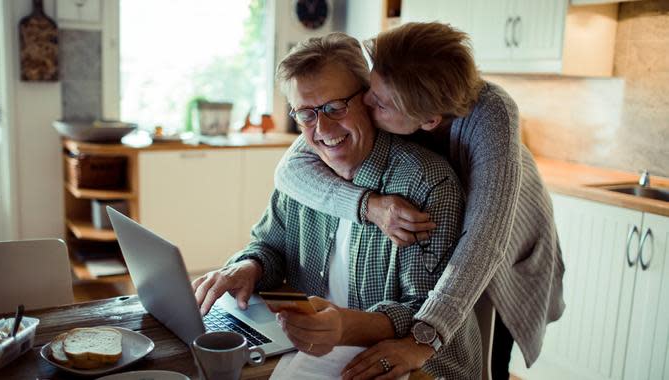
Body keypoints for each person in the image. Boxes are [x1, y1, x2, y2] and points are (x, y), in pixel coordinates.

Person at [274, 22, 566, 380]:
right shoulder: (393, 102)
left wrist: (421, 342)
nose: (364, 102)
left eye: (378, 103)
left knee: (491, 353)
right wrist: (370, 205)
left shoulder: (491, 117)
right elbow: (289, 169)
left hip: (509, 250)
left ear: (427, 121)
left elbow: (484, 243)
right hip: (469, 238)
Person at [192, 32, 482, 379]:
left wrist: (345, 327)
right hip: (318, 353)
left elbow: (426, 312)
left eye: (334, 108)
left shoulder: (426, 184)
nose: (322, 128)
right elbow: (269, 244)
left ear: (370, 100)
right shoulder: (303, 174)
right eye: (306, 114)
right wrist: (248, 268)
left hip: (417, 366)